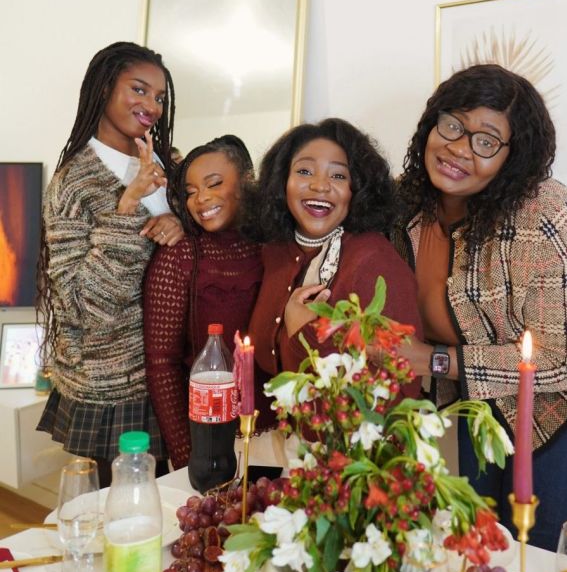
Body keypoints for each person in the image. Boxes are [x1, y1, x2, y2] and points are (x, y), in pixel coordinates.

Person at [395, 64, 567, 551]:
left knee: (551, 554)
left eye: (486, 141)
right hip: (491, 393)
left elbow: (565, 356)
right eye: (452, 124)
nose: (459, 148)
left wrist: (434, 360)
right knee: (488, 549)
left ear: (512, 157)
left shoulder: (544, 214)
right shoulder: (405, 205)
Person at [37, 41, 183, 486]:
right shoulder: (73, 184)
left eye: (159, 97)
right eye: (138, 89)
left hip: (172, 366)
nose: (152, 106)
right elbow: (84, 305)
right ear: (104, 88)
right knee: (127, 510)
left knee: (180, 501)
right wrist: (129, 204)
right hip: (116, 383)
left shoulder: (167, 163)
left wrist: (177, 222)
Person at [248, 118, 422, 390]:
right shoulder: (274, 252)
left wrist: (303, 333)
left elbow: (394, 389)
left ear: (358, 188)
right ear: (282, 181)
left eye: (338, 176)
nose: (320, 185)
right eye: (304, 171)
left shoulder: (374, 261)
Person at [143, 136, 263, 468]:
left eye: (214, 184)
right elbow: (162, 363)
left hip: (276, 431)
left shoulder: (273, 246)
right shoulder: (180, 256)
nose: (202, 198)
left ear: (246, 182)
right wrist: (186, 455)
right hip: (208, 437)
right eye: (191, 191)